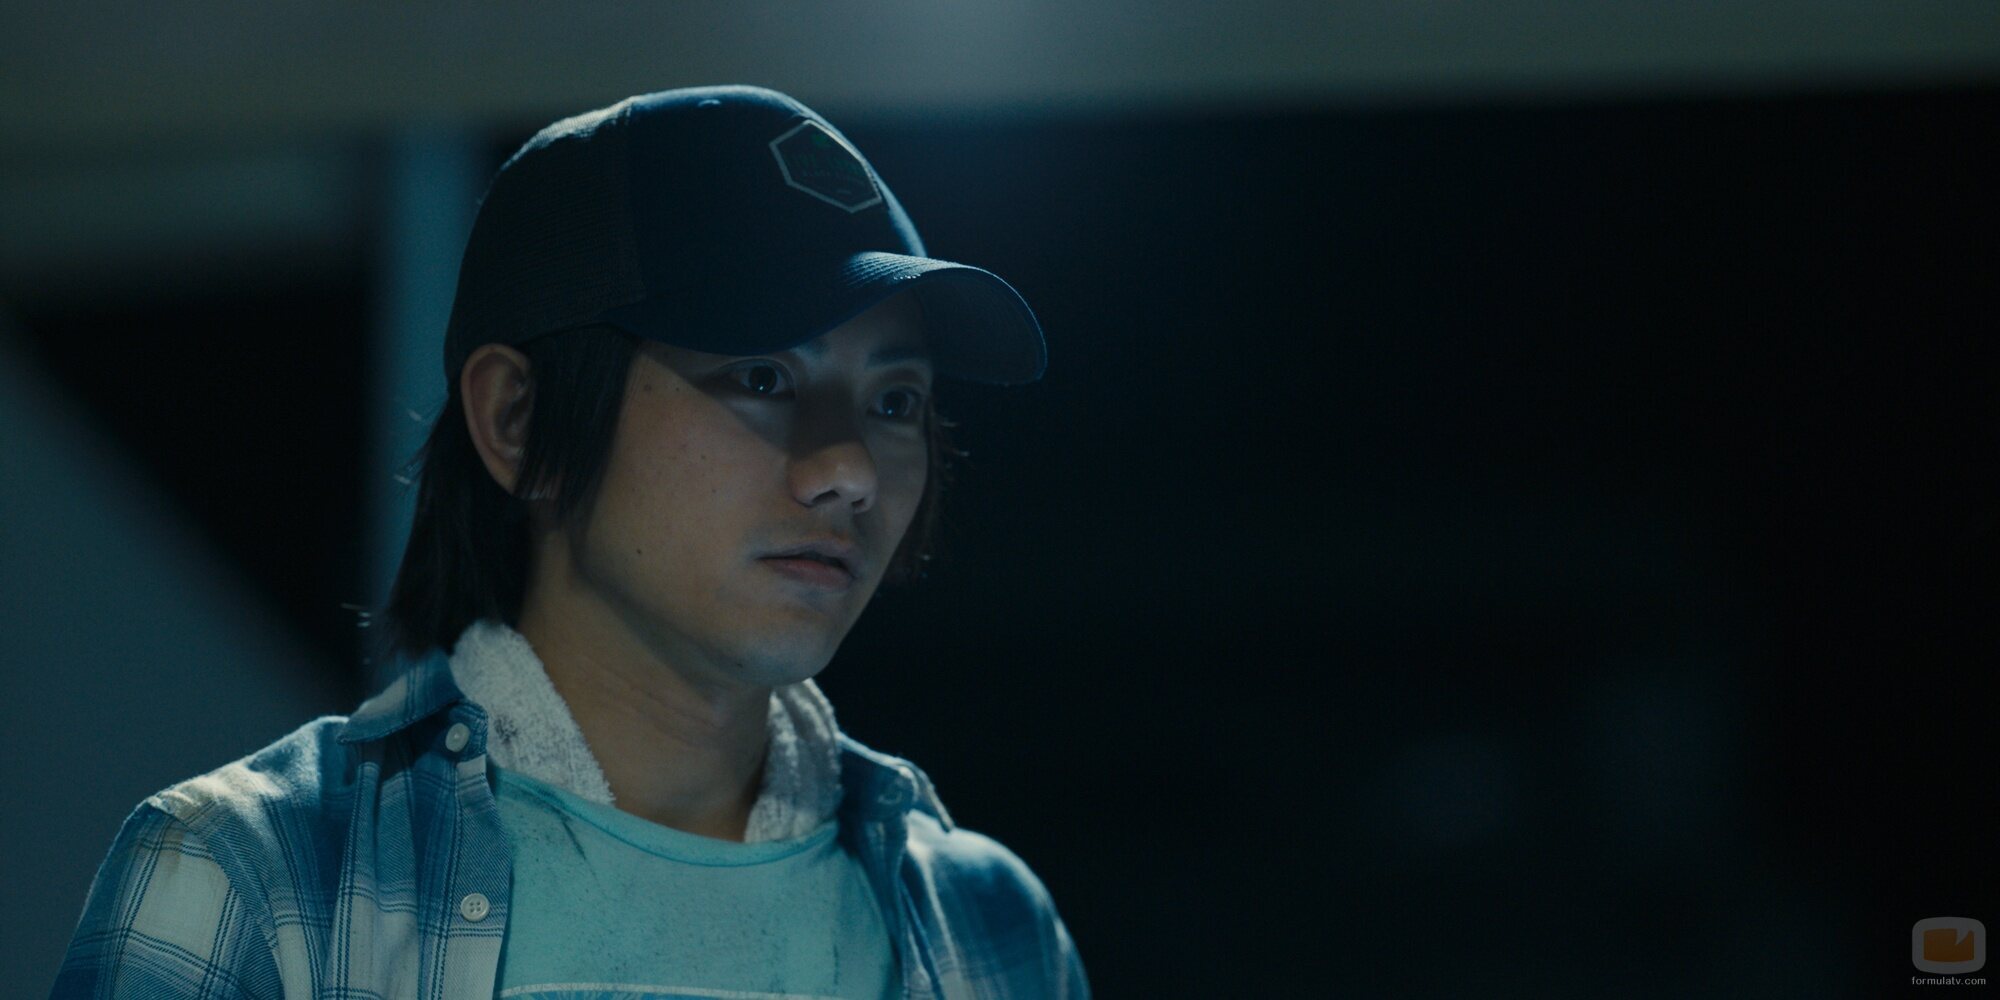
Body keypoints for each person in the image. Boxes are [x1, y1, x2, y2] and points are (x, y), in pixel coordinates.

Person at [52, 85, 1087, 999]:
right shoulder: (254, 880)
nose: (849, 468)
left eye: (895, 399)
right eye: (762, 376)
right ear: (518, 420)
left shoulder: (986, 926)